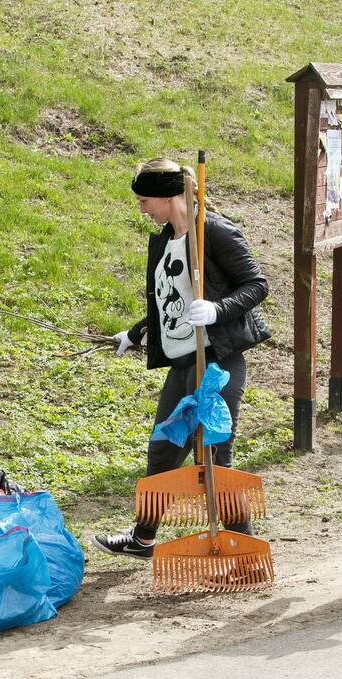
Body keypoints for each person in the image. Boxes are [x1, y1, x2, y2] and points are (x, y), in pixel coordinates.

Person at [92, 158, 271, 559]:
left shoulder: (213, 231)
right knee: (164, 449)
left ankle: (245, 547)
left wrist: (217, 310)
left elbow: (257, 284)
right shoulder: (163, 239)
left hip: (217, 362)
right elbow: (168, 301)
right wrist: (136, 332)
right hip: (182, 361)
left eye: (144, 200)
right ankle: (143, 539)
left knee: (214, 455)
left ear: (169, 196)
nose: (141, 208)